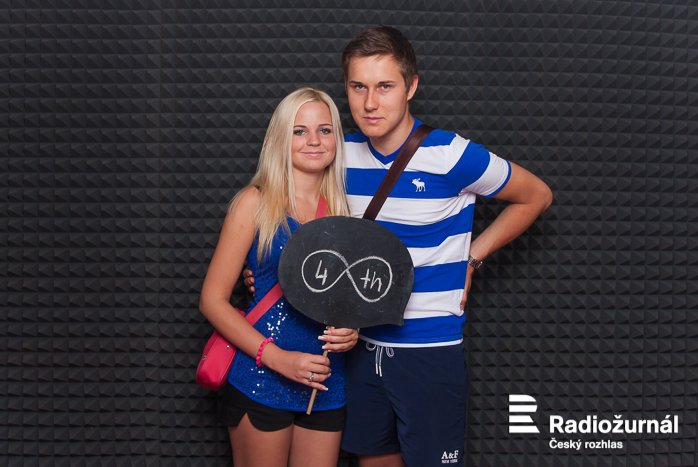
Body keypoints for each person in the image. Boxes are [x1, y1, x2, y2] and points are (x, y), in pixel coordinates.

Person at [245, 26, 553, 467]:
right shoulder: (338, 155)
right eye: (358, 87)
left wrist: (472, 259)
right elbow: (301, 225)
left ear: (411, 86)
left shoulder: (451, 154)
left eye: (385, 86)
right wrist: (266, 272)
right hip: (358, 349)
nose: (370, 103)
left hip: (429, 351)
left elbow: (536, 195)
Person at [199, 87, 360, 467]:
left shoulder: (343, 211)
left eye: (324, 130)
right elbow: (212, 300)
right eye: (299, 131)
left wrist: (352, 330)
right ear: (280, 138)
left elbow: (344, 297)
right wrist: (277, 359)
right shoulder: (253, 203)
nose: (314, 141)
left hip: (325, 383)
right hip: (262, 377)